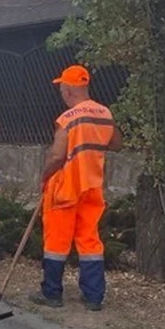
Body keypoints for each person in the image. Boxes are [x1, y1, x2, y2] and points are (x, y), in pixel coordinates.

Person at [32, 65, 123, 311]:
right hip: (92, 186)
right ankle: (94, 296)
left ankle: (51, 293)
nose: (61, 93)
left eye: (62, 88)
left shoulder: (68, 119)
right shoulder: (104, 113)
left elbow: (57, 156)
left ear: (69, 90)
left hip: (66, 187)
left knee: (56, 242)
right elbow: (116, 143)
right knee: (90, 241)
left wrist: (44, 176)